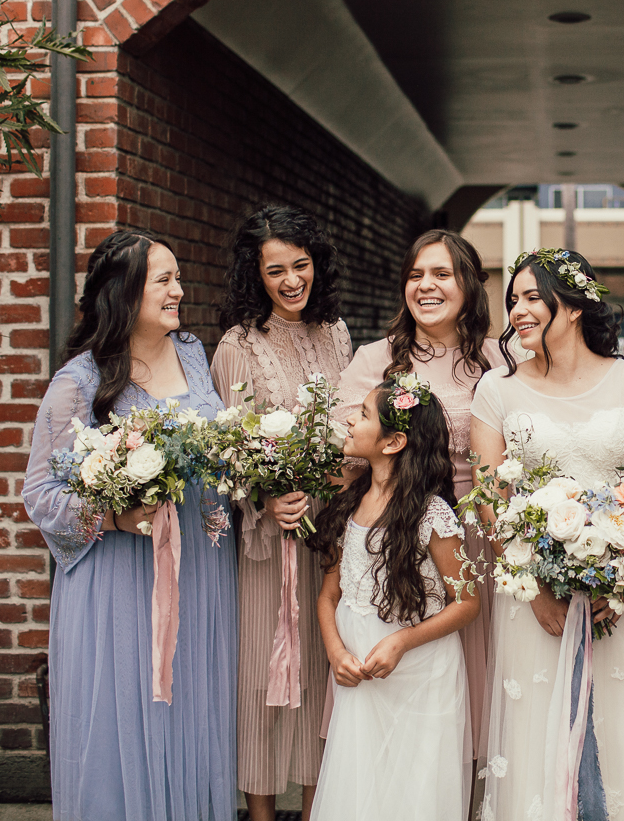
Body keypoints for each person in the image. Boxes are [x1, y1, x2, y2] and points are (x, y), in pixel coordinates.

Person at [23, 230, 238, 820]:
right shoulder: (79, 383)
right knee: (129, 714)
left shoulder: (193, 352)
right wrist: (113, 516)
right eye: (163, 280)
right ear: (124, 293)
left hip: (201, 562)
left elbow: (216, 446)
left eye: (176, 277)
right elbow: (39, 494)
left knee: (194, 710)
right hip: (122, 583)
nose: (179, 290)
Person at [471, 249, 624, 821]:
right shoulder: (497, 392)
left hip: (622, 594)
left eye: (533, 296)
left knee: (619, 732)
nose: (518, 310)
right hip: (533, 592)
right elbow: (491, 500)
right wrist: (535, 585)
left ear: (575, 306)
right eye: (513, 300)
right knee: (539, 737)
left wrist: (622, 578)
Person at [336, 229, 504, 761]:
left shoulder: (499, 361)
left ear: (469, 285)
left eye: (441, 274)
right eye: (415, 275)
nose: (425, 286)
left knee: (474, 685)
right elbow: (346, 456)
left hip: (473, 538)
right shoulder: (374, 359)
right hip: (393, 539)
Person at [209, 207, 352, 821]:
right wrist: (264, 498)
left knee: (325, 677)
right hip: (269, 538)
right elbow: (228, 450)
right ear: (255, 275)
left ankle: (320, 809)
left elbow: (353, 425)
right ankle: (262, 814)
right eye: (276, 270)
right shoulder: (238, 346)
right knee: (262, 681)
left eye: (301, 265)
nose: (292, 280)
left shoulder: (338, 333)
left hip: (333, 530)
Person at [307, 376, 478, 819]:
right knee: (362, 785)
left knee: (413, 790)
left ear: (394, 441)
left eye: (362, 414)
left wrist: (401, 641)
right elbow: (329, 595)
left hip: (419, 669)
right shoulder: (349, 502)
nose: (349, 419)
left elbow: (467, 603)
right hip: (358, 668)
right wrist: (335, 651)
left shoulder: (432, 515)